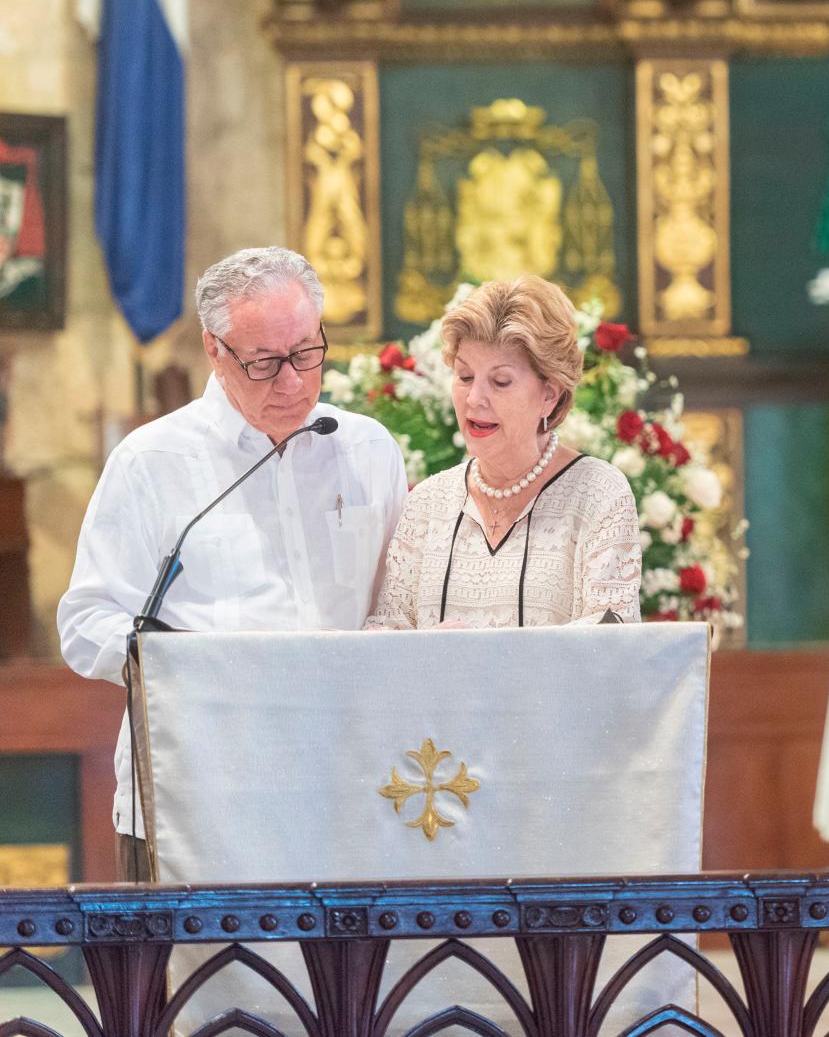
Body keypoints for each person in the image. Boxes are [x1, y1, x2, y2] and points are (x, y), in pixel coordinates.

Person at [57, 247, 409, 880]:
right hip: (199, 791)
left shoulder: (365, 448)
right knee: (188, 981)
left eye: (306, 352)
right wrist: (180, 658)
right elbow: (85, 621)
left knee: (344, 982)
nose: (294, 381)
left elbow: (399, 600)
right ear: (214, 351)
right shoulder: (152, 462)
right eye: (265, 362)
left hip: (346, 784)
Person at [368, 276, 640, 629]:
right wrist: (426, 651)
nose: (474, 399)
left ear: (550, 395)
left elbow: (612, 646)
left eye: (500, 382)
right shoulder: (428, 503)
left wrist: (486, 656)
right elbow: (386, 638)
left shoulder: (599, 494)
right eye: (465, 377)